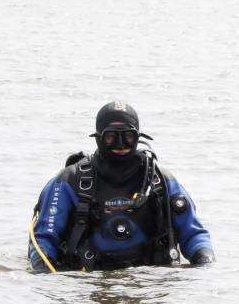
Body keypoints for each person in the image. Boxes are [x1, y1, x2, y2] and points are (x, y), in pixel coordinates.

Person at [28, 101, 215, 272]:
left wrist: (206, 264)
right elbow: (43, 240)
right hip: (87, 283)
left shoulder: (160, 182)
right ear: (98, 138)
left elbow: (194, 234)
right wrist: (46, 276)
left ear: (138, 137)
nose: (120, 144)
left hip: (150, 284)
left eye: (128, 136)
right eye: (111, 137)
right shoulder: (69, 181)